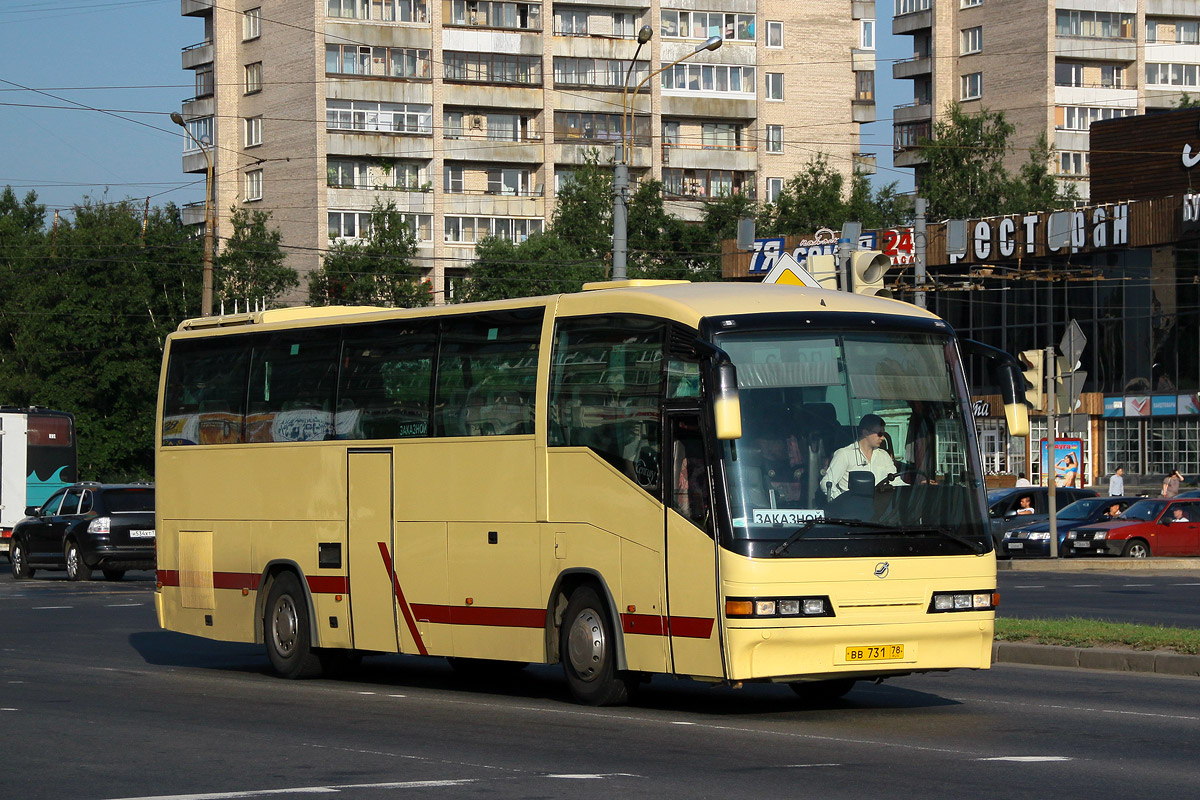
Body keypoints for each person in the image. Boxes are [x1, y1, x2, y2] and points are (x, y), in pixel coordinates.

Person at [823, 414, 903, 500]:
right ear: (865, 432)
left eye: (884, 434)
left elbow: (896, 482)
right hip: (853, 511)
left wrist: (916, 489)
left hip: (881, 508)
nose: (883, 438)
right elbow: (826, 483)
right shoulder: (844, 454)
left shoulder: (884, 456)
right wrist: (842, 501)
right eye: (880, 434)